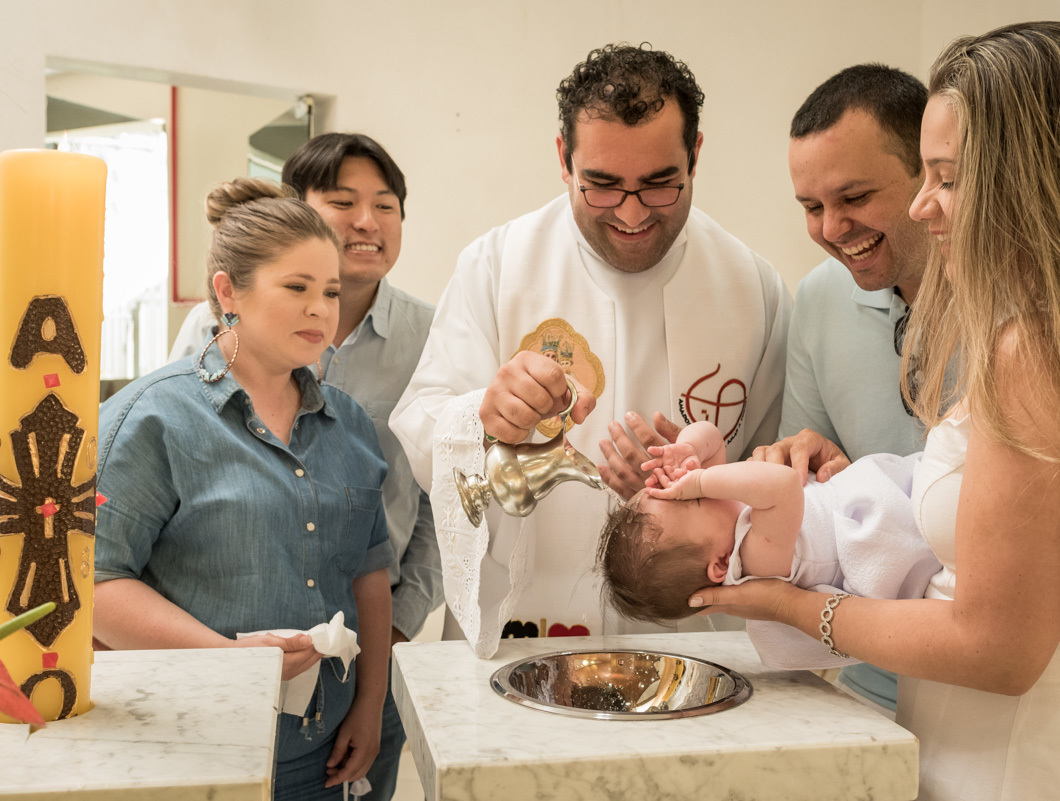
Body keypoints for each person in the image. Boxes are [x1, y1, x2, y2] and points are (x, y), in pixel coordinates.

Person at [696, 22, 1060, 799]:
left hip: (1016, 756)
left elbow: (995, 645)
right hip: (1040, 734)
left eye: (948, 177)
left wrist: (794, 607)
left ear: (1040, 179)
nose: (927, 205)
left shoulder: (1026, 350)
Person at [768, 62, 1060, 718]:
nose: (830, 228)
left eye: (855, 197)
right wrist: (821, 471)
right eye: (812, 207)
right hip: (887, 689)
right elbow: (835, 507)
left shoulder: (1038, 335)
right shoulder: (819, 300)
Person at [390, 43, 790, 657]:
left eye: (660, 185)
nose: (631, 214)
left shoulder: (751, 285)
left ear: (696, 154)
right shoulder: (498, 266)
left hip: (694, 636)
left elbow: (774, 461)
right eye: (601, 186)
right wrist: (483, 416)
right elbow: (421, 425)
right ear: (562, 158)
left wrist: (695, 483)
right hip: (527, 625)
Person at [94, 178, 397, 798]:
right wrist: (228, 658)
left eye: (332, 292)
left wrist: (372, 706)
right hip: (192, 750)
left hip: (331, 749)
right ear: (228, 291)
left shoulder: (349, 423)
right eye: (297, 288)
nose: (321, 309)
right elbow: (94, 584)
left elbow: (369, 572)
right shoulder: (153, 419)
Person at [169, 133, 436, 798]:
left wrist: (394, 630)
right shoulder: (205, 345)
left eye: (386, 204)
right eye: (342, 202)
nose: (367, 221)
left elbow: (441, 495)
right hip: (225, 656)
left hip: (370, 645)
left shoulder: (433, 336)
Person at [599, 421, 936, 669]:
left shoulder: (726, 511)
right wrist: (699, 480)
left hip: (906, 488)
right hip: (910, 526)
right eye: (692, 500)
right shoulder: (752, 562)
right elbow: (784, 485)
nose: (686, 486)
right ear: (720, 564)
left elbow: (713, 441)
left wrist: (687, 449)